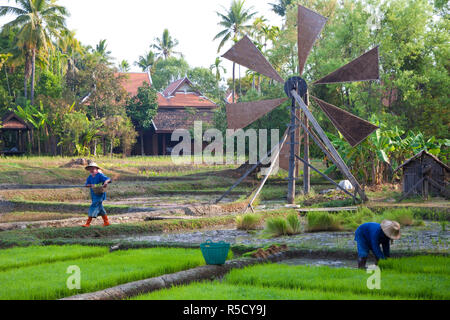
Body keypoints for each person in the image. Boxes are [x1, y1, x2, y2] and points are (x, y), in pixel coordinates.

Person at [82, 162, 112, 228]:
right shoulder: (90, 177)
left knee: (93, 206)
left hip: (100, 194)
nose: (91, 170)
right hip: (93, 194)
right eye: (90, 168)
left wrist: (105, 182)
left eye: (93, 168)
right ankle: (106, 222)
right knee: (100, 208)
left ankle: (87, 223)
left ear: (96, 169)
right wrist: (88, 185)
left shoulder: (100, 175)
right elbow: (87, 184)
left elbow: (108, 179)